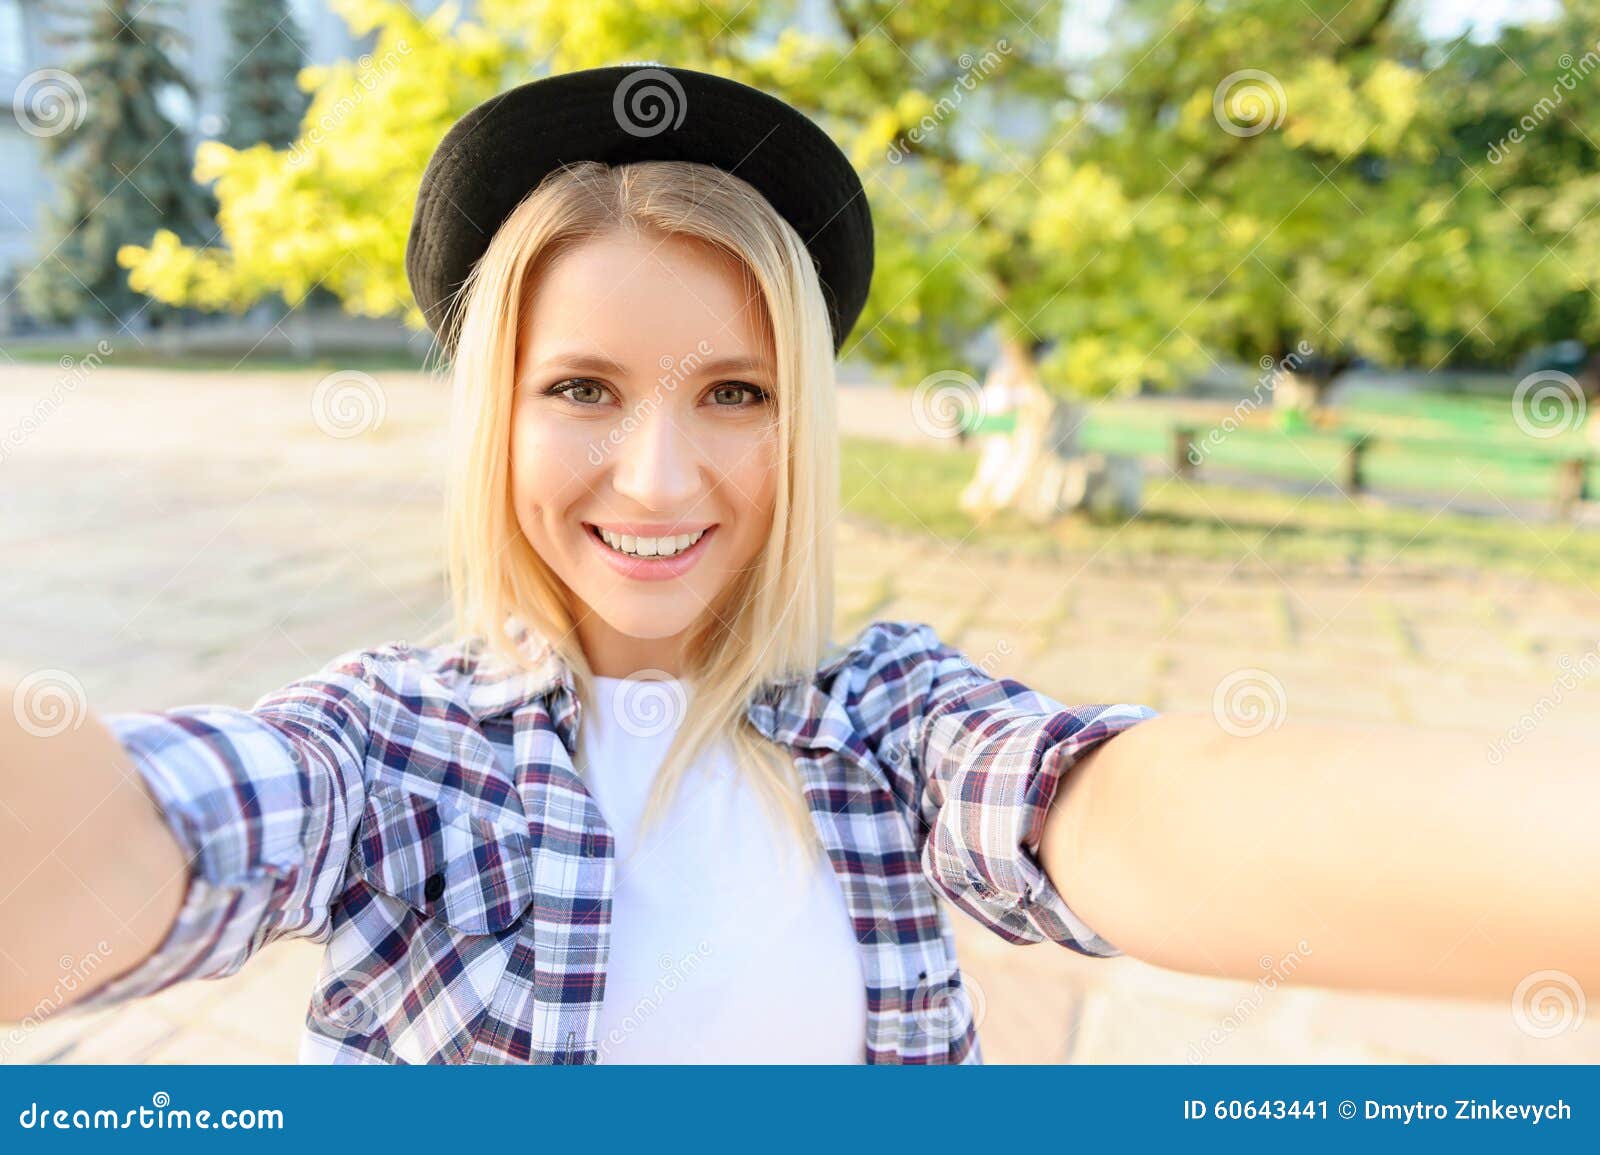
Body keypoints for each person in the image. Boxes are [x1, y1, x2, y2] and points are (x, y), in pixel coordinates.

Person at [2, 65, 1595, 1066]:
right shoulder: (384, 747)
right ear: (494, 416)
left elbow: (1100, 807)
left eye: (736, 394)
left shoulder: (889, 722)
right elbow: (160, 834)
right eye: (581, 390)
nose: (660, 477)